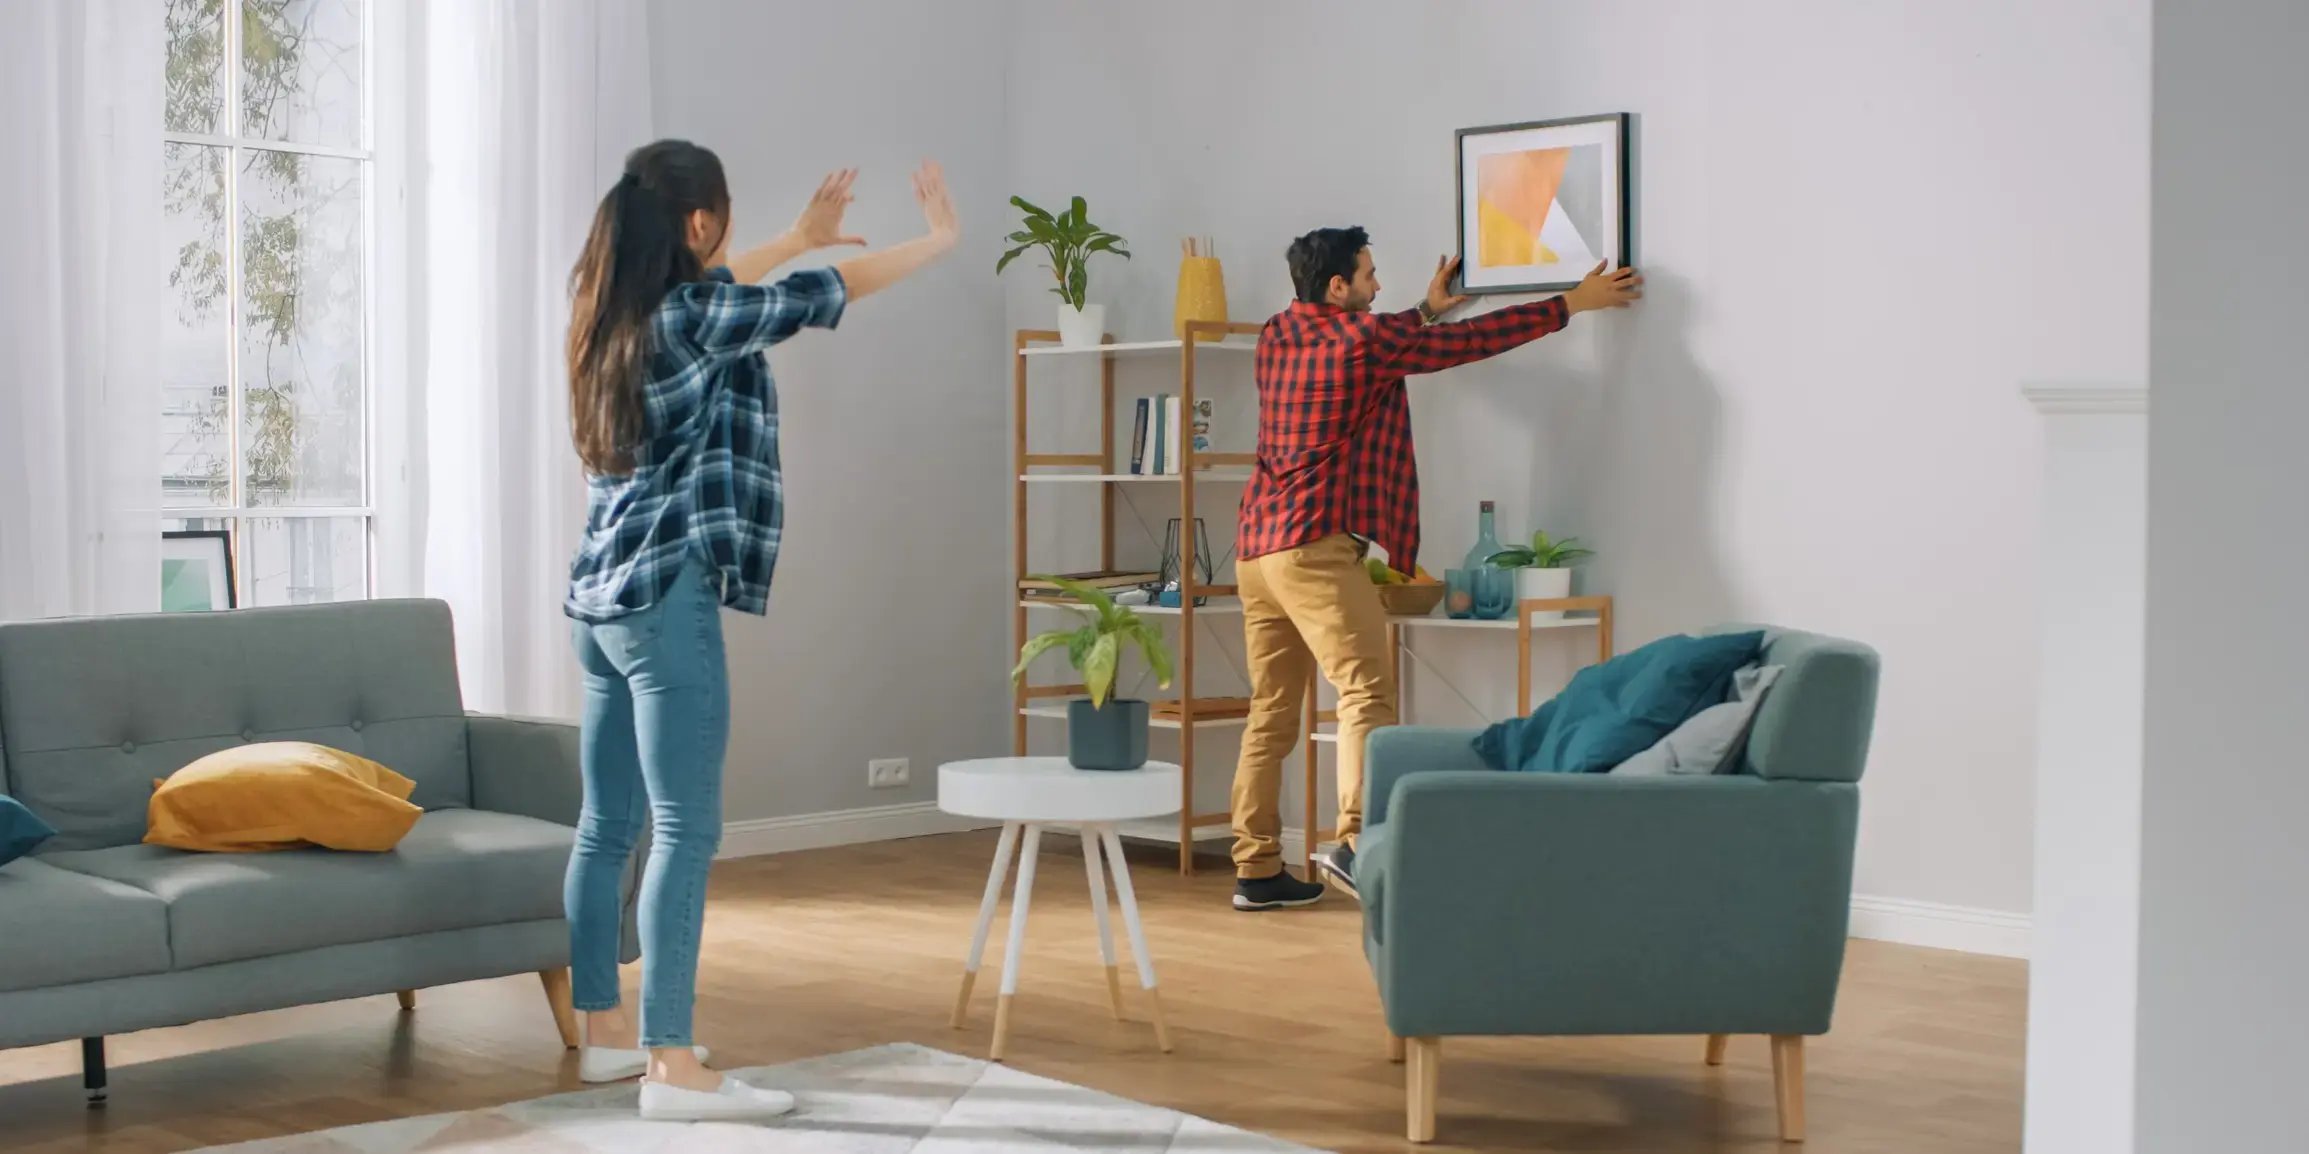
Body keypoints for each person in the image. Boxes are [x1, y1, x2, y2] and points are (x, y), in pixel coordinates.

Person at [559, 139, 958, 1120]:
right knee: (687, 829)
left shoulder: (611, 314)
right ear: (699, 224)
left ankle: (603, 1033)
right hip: (665, 599)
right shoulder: (696, 316)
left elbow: (735, 282)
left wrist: (786, 234)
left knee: (608, 824)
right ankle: (672, 1066)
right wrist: (937, 239)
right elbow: (827, 293)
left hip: (599, 600)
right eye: (727, 220)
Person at [1227, 227, 1642, 911]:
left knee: (1271, 710)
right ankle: (1357, 846)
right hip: (1313, 548)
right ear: (1338, 289)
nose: (1377, 284)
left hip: (1257, 549)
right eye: (1367, 274)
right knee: (1365, 693)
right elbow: (1468, 345)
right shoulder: (1366, 344)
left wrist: (1425, 307)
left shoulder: (1277, 334)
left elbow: (1388, 335)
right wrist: (1573, 301)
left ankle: (1256, 867)